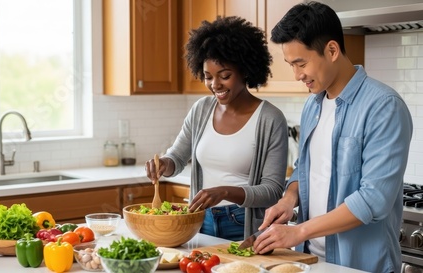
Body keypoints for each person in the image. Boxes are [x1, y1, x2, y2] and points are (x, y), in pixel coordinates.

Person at [252, 2, 413, 272]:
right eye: (291, 65)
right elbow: (305, 167)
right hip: (311, 260)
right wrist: (289, 199)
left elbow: (373, 200)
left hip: (360, 266)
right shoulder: (312, 105)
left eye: (301, 63)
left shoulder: (384, 106)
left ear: (332, 50)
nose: (296, 75)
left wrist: (299, 231)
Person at [144, 16, 289, 241]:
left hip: (243, 224)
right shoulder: (201, 109)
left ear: (246, 71)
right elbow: (177, 157)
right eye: (208, 77)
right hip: (200, 220)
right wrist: (164, 164)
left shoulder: (270, 119)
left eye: (225, 76)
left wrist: (226, 192)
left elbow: (272, 190)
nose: (215, 85)